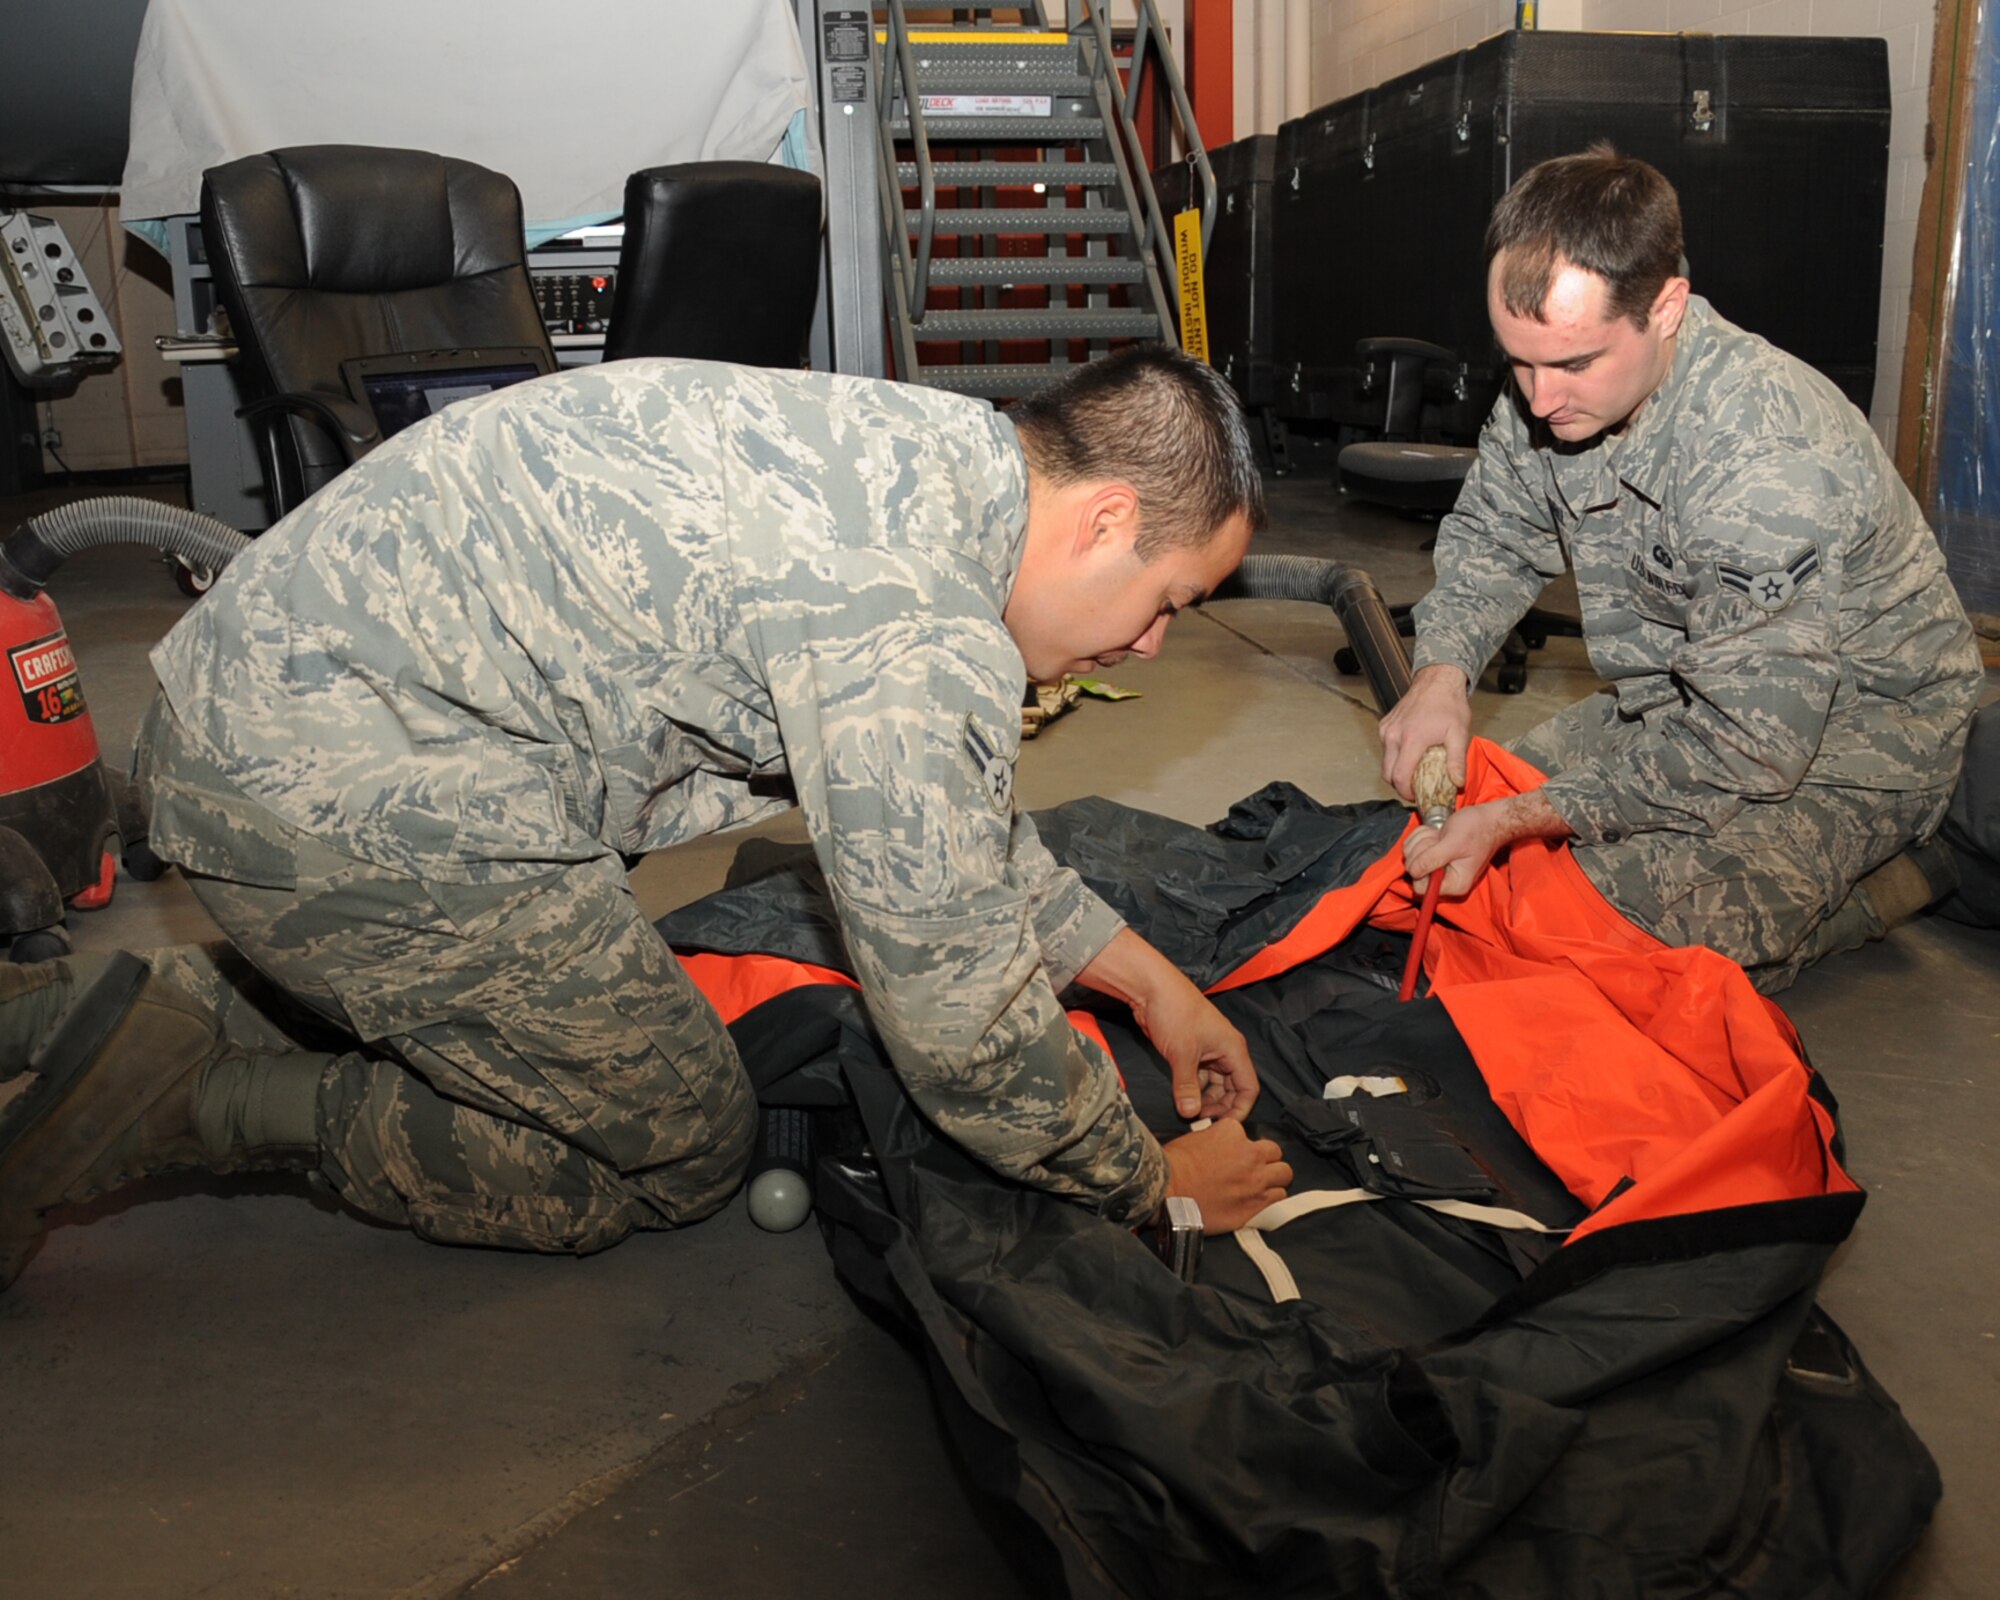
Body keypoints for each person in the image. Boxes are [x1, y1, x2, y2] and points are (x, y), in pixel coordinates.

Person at [0, 348, 1293, 1290]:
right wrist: (1150, 1181)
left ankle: (73, 1024)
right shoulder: (916, 627)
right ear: (1106, 519)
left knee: (492, 998)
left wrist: (1149, 984)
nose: (1154, 639)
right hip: (342, 798)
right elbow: (958, 1016)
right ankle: (188, 1096)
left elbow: (938, 825)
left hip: (278, 716)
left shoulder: (926, 461)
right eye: (1168, 595)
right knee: (673, 1144)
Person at [1379, 146, 1983, 992]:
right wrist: (1440, 672)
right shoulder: (1548, 387)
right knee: (1461, 858)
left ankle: (1889, 883)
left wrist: (1521, 820)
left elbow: (1751, 745)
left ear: (1666, 307)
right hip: (1681, 697)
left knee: (1610, 934)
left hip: (1856, 735)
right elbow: (1496, 533)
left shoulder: (1762, 454)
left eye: (1573, 364)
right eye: (1518, 361)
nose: (1539, 398)